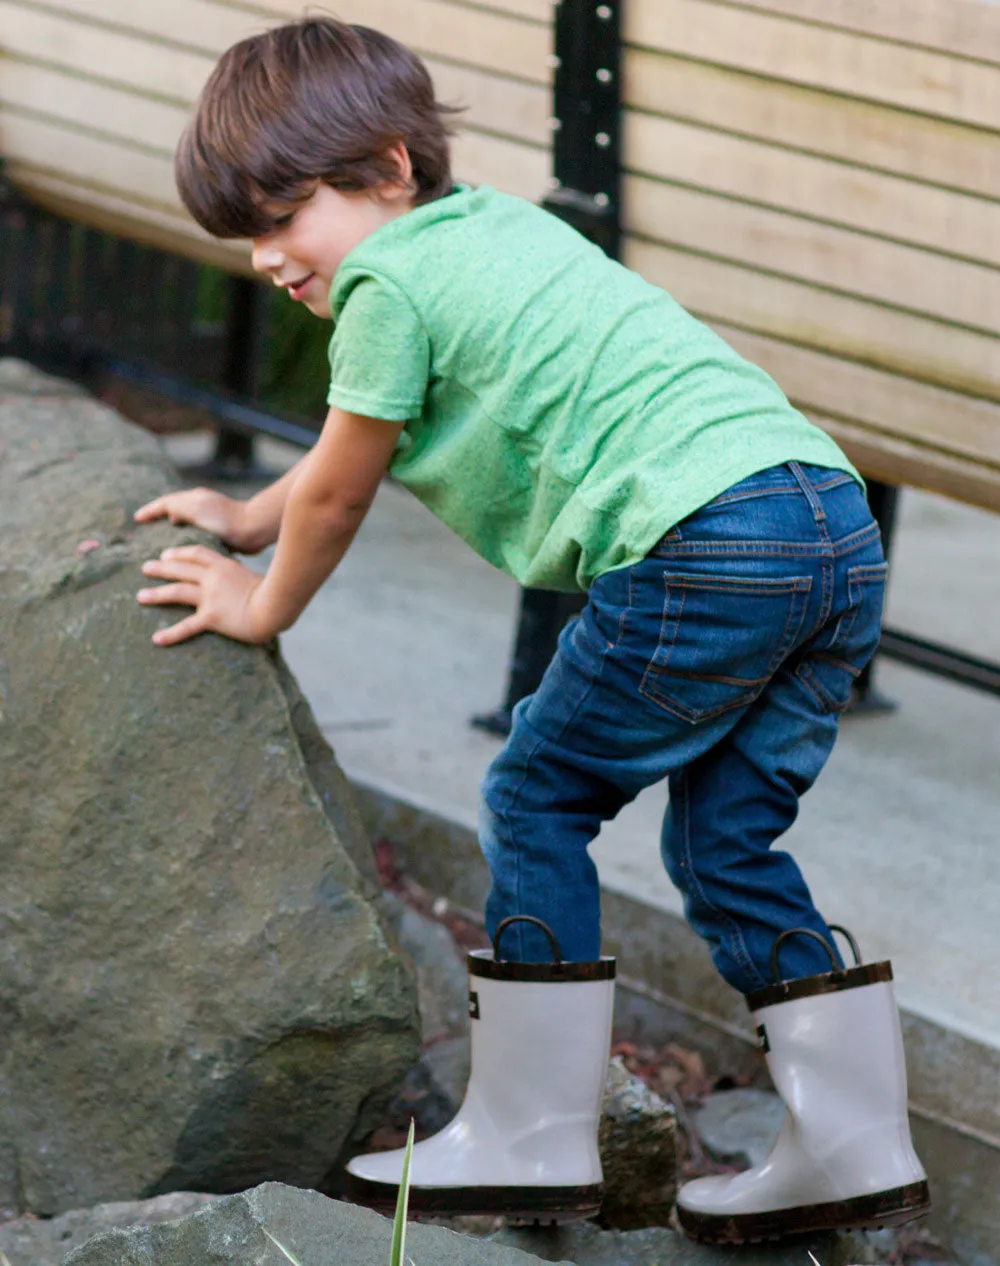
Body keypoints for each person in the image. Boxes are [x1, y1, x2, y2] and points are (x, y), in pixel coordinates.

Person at [134, 16, 930, 1239]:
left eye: (283, 216)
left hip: (701, 543)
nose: (264, 259)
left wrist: (262, 598)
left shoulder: (388, 284)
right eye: (246, 236)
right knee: (724, 849)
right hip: (821, 521)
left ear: (390, 170)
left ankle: (527, 1131)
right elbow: (358, 441)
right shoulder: (488, 231)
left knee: (536, 793)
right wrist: (249, 514)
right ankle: (852, 1145)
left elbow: (346, 486)